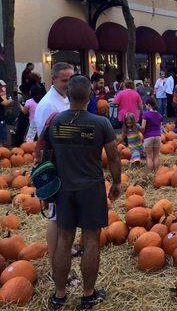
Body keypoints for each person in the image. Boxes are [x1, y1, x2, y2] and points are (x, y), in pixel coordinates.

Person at [47, 75, 121, 310]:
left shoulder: (56, 122)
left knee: (63, 241)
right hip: (91, 189)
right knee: (91, 241)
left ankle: (59, 296)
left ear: (67, 95)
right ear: (90, 96)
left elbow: (46, 157)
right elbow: (113, 156)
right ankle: (88, 295)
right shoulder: (101, 124)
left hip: (64, 189)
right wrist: (117, 183)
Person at [34, 62, 74, 284]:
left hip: (68, 166)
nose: (68, 84)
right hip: (58, 167)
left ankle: (62, 261)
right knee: (57, 218)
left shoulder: (63, 99)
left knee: (62, 218)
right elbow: (48, 141)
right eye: (64, 80)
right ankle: (56, 267)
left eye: (71, 79)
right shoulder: (48, 105)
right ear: (54, 80)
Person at [141, 98, 163, 174]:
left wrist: (142, 134)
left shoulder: (145, 114)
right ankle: (156, 173)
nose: (145, 106)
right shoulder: (159, 115)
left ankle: (150, 174)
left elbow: (143, 127)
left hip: (148, 136)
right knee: (156, 156)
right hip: (158, 136)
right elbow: (160, 127)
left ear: (149, 105)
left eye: (146, 105)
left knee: (149, 156)